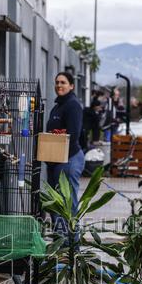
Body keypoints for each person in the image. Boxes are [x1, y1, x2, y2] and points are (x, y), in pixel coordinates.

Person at [45, 71, 84, 213]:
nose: (59, 85)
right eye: (57, 82)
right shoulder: (57, 107)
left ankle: (72, 235)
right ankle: (59, 235)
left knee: (67, 202)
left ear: (71, 86)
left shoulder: (72, 105)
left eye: (63, 82)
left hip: (69, 159)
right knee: (55, 202)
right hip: (56, 160)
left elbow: (73, 135)